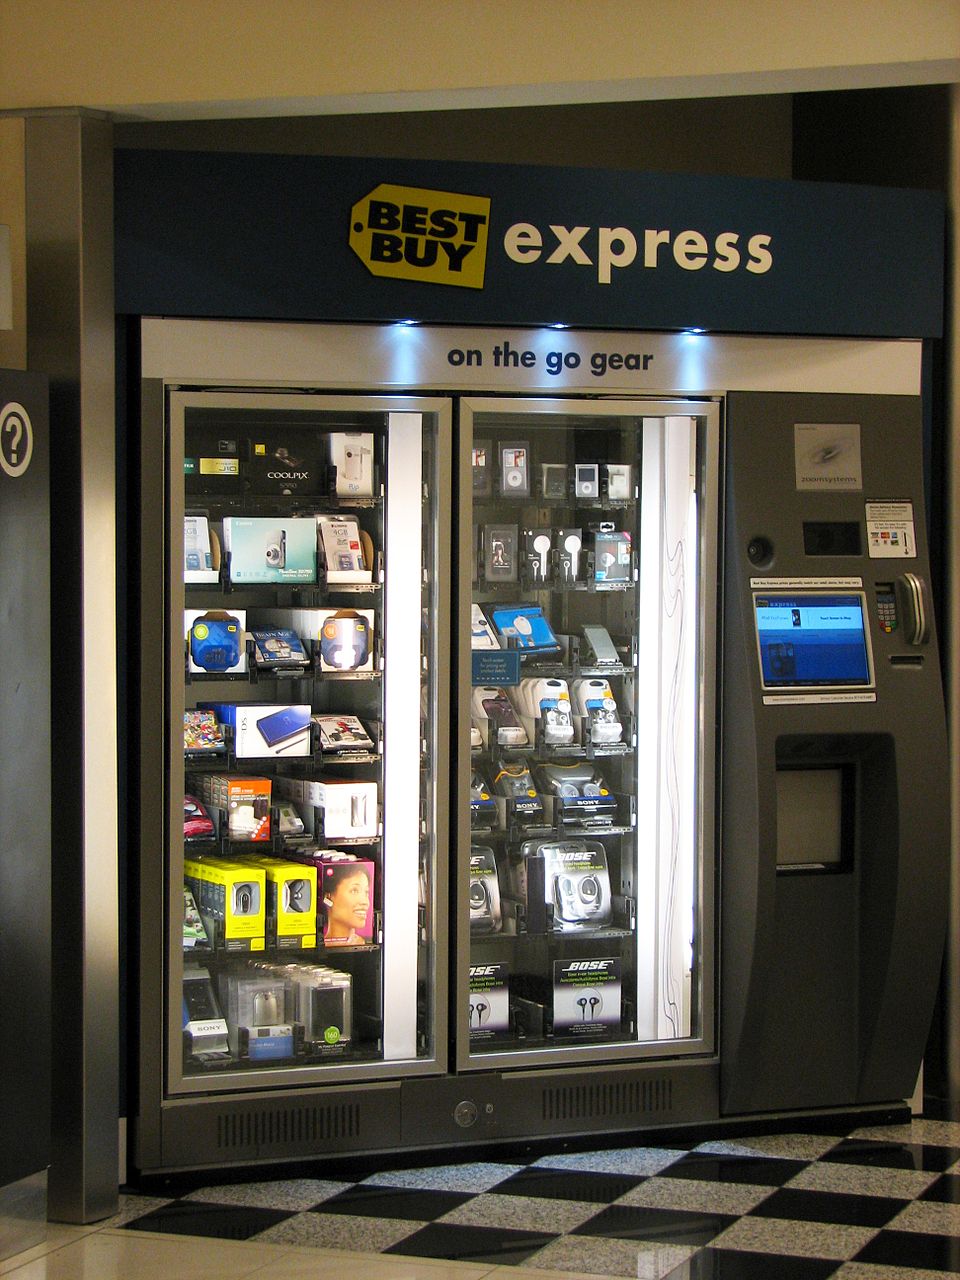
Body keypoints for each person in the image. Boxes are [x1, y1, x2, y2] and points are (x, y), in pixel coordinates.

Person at [322, 863, 371, 945]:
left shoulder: (367, 943)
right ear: (328, 897)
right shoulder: (314, 945)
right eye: (354, 891)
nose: (365, 902)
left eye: (366, 892)